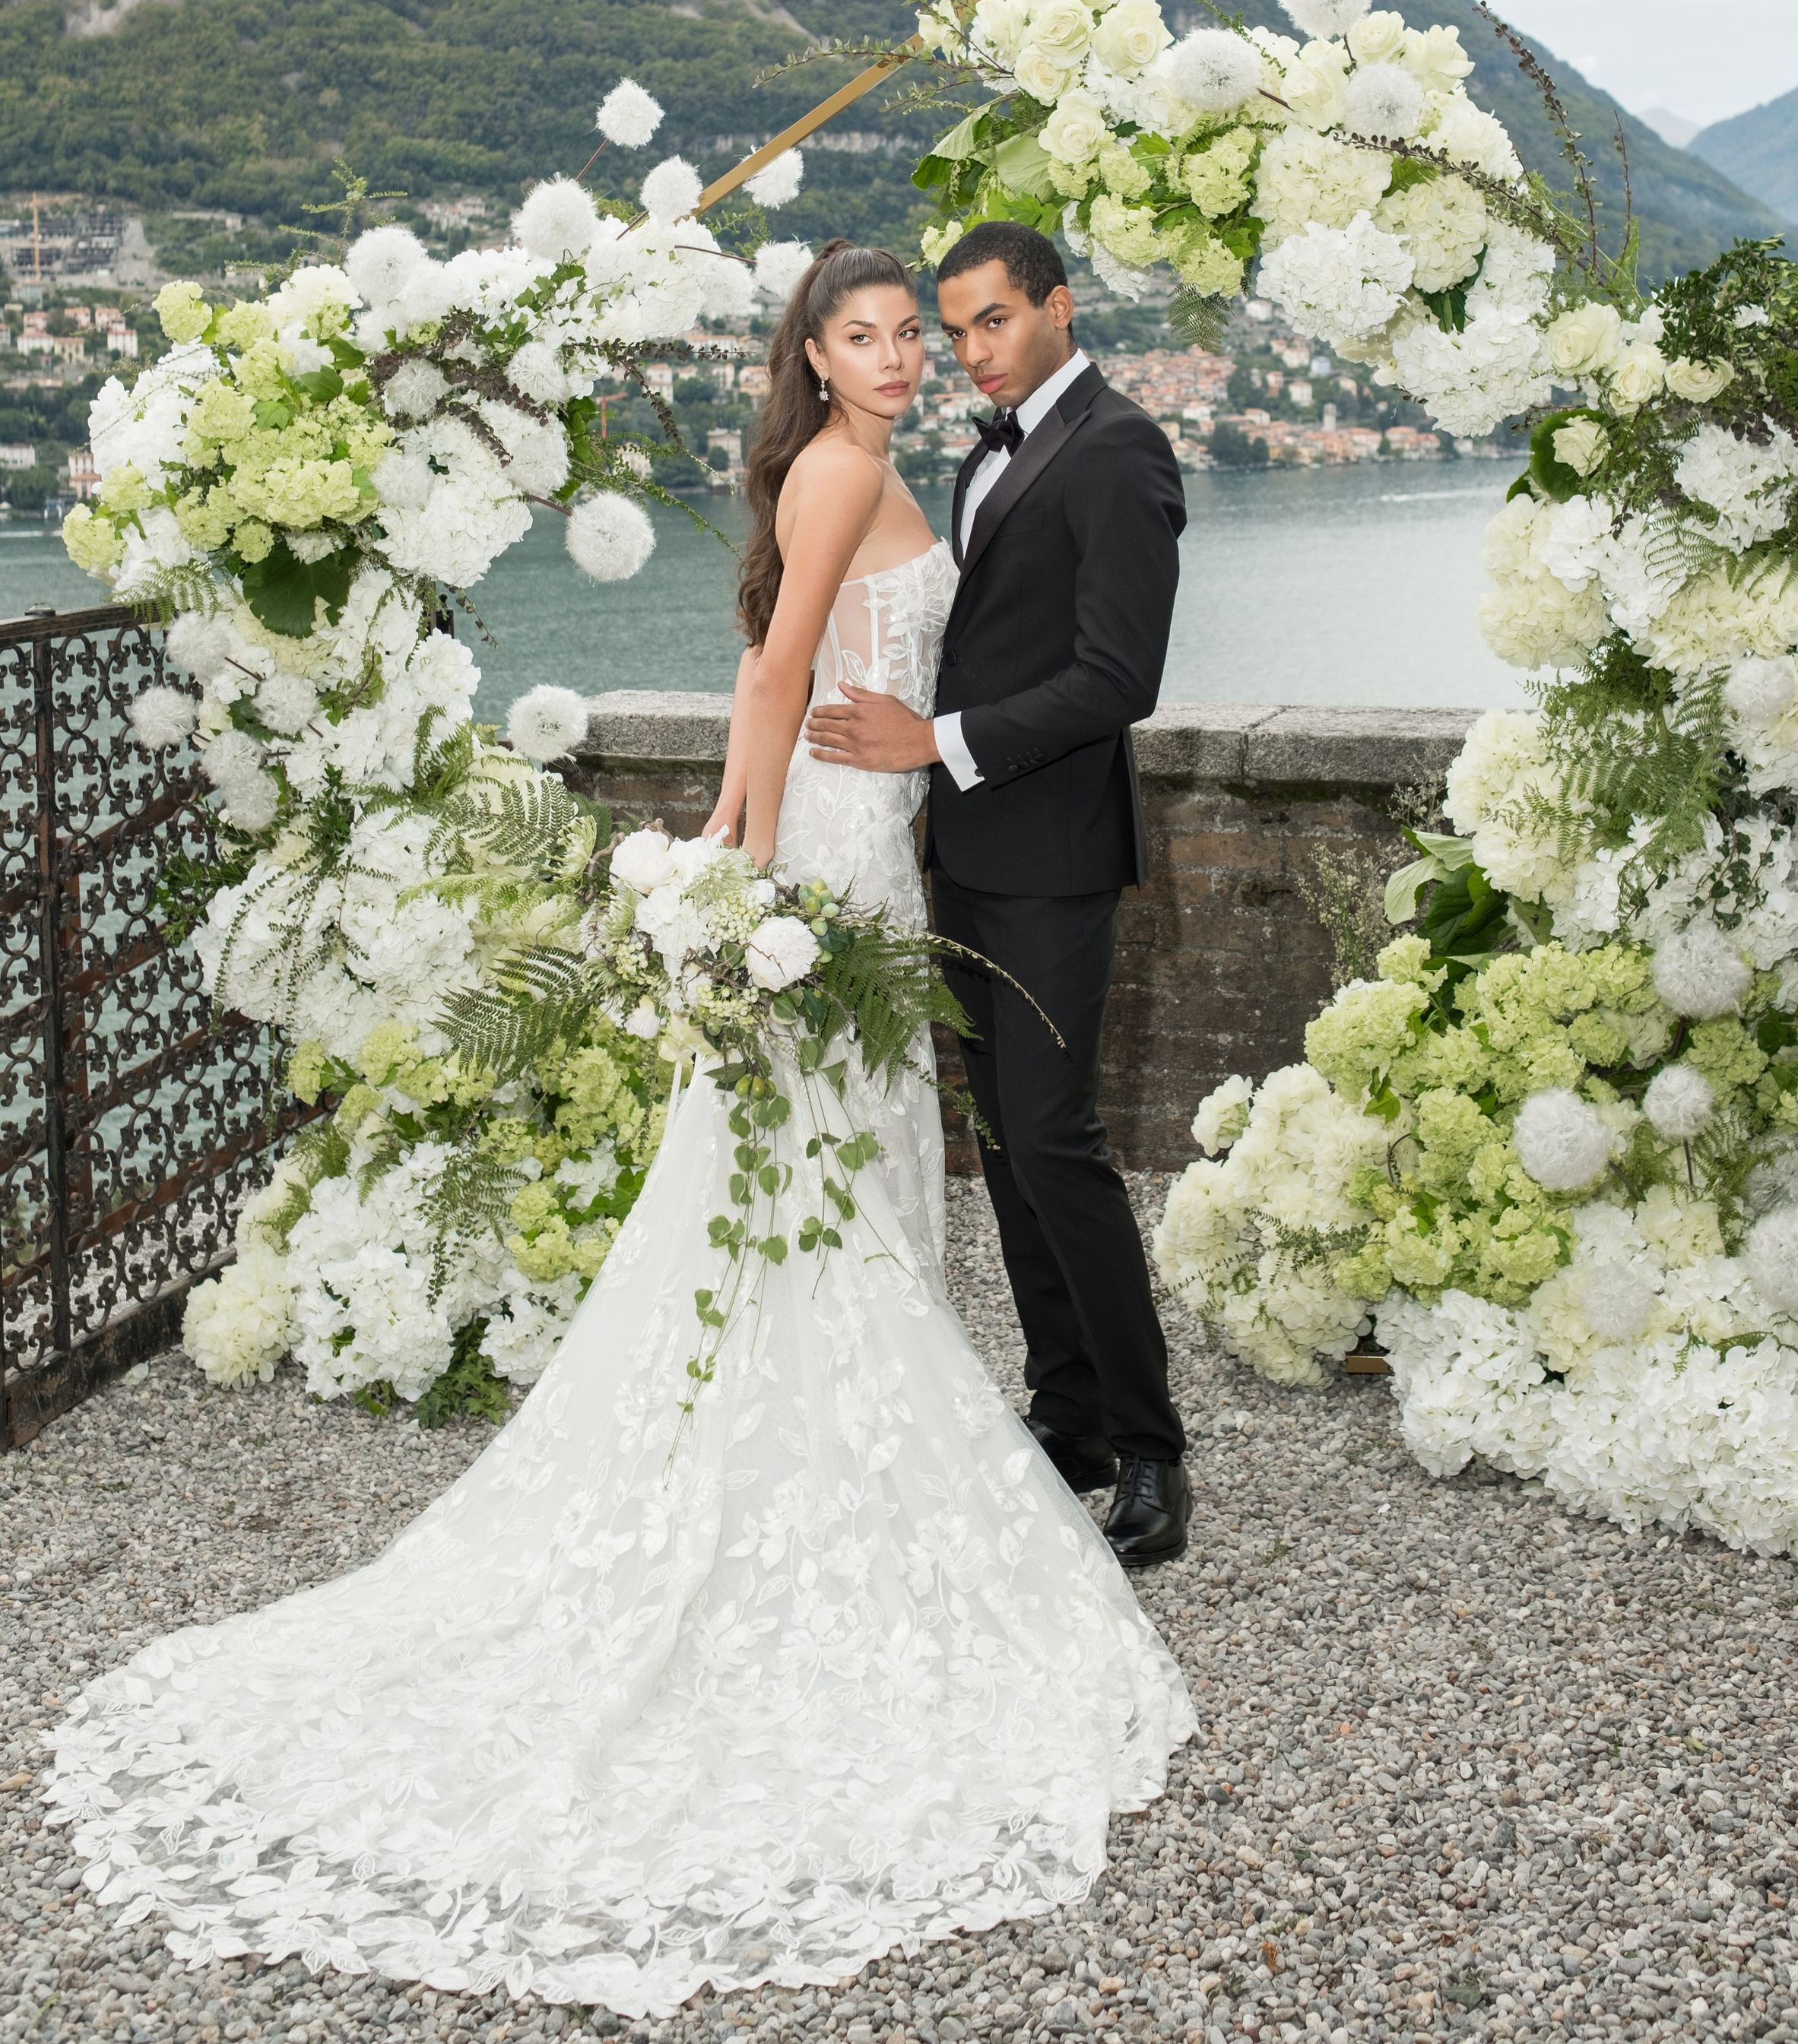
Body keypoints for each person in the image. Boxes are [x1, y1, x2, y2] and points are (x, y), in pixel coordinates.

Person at [48, 239, 1192, 2022]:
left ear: (1013, 326)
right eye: (880, 334)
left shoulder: (967, 453)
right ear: (811, 355)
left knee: (868, 1164)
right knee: (847, 1165)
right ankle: (955, 1444)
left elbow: (828, 674)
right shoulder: (852, 466)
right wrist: (737, 883)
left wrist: (750, 856)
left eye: (936, 331)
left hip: (888, 845)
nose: (912, 357)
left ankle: (1070, 1434)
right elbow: (771, 675)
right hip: (847, 859)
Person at [804, 221, 1192, 1570]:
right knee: (1013, 1153)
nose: (966, 352)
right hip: (962, 858)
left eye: (989, 324)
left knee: (1060, 1140)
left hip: (1052, 859)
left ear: (1058, 309)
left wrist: (937, 744)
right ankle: (1069, 1413)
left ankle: (1153, 1453)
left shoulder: (1121, 450)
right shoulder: (984, 453)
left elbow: (1116, 680)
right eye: (950, 329)